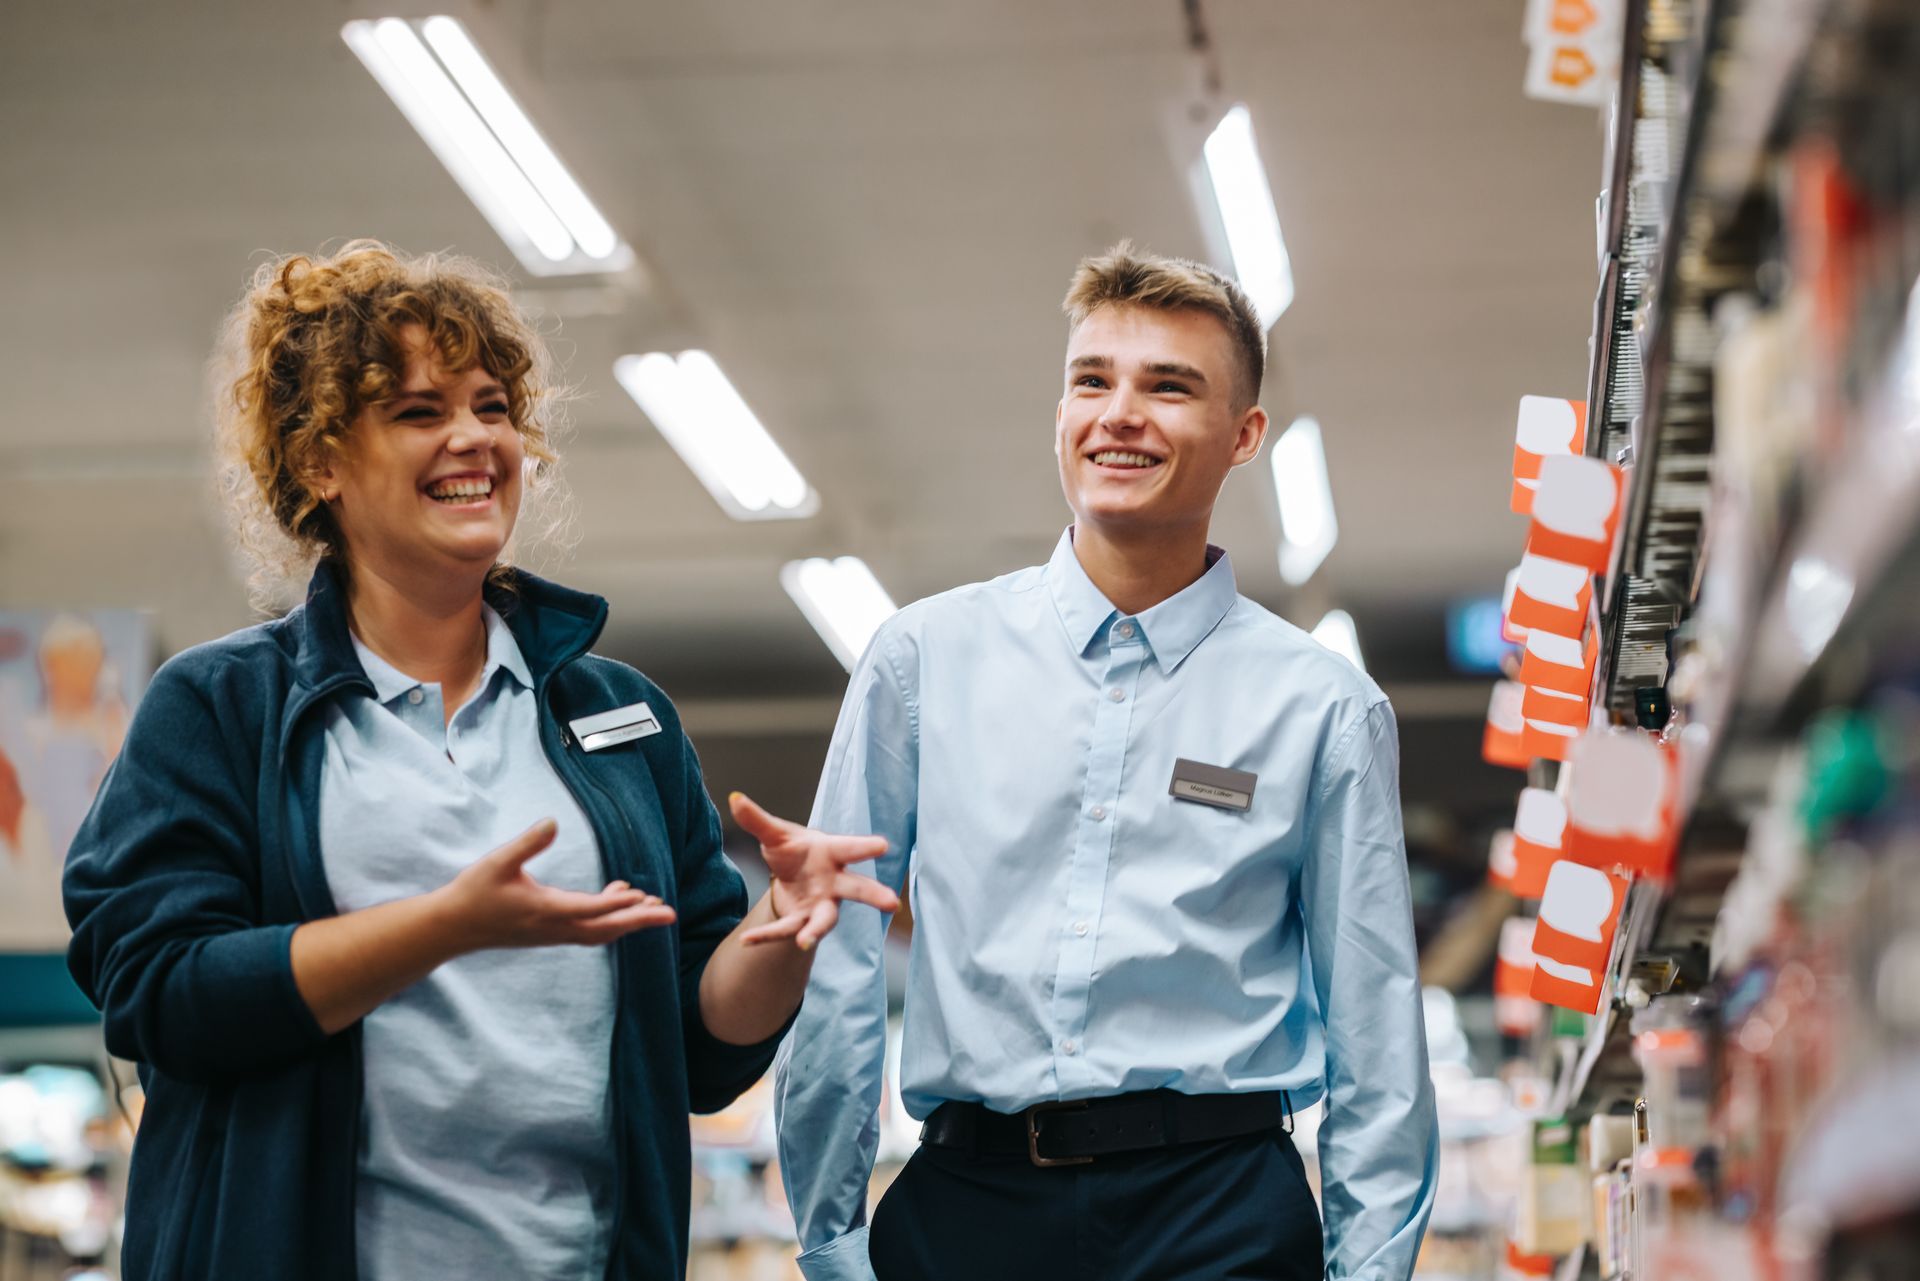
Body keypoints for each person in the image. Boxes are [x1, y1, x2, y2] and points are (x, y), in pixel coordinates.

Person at [62, 241, 896, 1281]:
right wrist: (444, 926)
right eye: (419, 413)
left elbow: (698, 1049)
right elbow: (163, 996)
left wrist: (781, 929)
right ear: (319, 461)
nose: (474, 438)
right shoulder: (222, 707)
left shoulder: (621, 716)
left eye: (493, 407)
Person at [776, 243, 1438, 1281]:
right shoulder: (921, 662)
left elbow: (1374, 1021)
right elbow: (841, 960)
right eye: (1093, 381)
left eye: (1169, 387)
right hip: (966, 1211)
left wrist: (1367, 1270)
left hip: (1219, 1213)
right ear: (1060, 418)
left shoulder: (1323, 708)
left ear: (1244, 435)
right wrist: (829, 1238)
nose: (1120, 413)